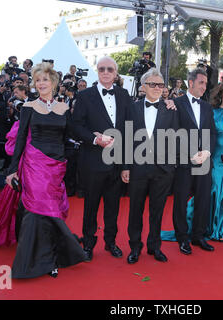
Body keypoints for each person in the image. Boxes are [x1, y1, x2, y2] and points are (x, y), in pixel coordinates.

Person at [0, 62, 87, 279]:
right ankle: (37, 261)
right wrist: (11, 170)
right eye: (38, 80)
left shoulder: (63, 108)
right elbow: (19, 140)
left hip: (56, 167)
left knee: (51, 211)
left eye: (45, 79)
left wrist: (97, 138)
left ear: (53, 82)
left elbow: (72, 133)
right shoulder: (28, 108)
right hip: (34, 164)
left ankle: (53, 256)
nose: (41, 83)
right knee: (38, 211)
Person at [162, 81, 223, 242]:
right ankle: (199, 227)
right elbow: (204, 133)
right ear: (220, 93)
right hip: (211, 157)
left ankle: (219, 229)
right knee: (210, 193)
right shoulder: (210, 111)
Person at [71, 56, 131, 262]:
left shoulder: (124, 95)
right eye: (102, 69)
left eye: (110, 69)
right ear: (97, 71)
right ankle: (88, 244)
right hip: (93, 161)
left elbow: (130, 129)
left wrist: (126, 165)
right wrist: (95, 139)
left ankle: (110, 242)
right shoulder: (85, 95)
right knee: (91, 206)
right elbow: (76, 126)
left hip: (116, 163)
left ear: (115, 73)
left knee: (113, 207)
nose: (106, 72)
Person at [121, 68, 179, 264]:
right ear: (143, 86)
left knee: (158, 210)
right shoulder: (133, 108)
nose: (157, 88)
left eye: (160, 85)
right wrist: (125, 166)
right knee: (135, 210)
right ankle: (135, 247)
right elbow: (127, 138)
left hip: (163, 170)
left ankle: (155, 247)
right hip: (137, 168)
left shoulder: (171, 109)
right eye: (153, 84)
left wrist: (172, 166)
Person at [169, 68, 217, 255]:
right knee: (180, 200)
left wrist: (207, 152)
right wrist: (189, 154)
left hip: (204, 160)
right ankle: (182, 238)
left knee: (203, 199)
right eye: (201, 83)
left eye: (206, 84)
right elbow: (172, 133)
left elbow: (212, 132)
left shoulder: (207, 107)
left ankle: (198, 235)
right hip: (184, 161)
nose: (204, 87)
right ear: (190, 83)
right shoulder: (176, 103)